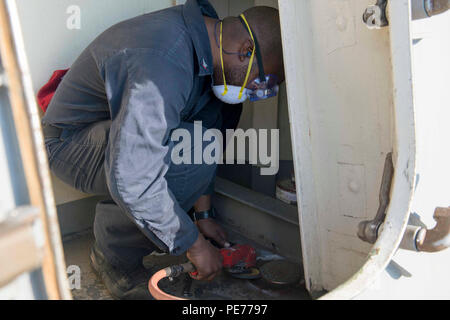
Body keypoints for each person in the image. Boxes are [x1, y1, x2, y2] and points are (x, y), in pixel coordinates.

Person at [42, 0, 284, 299]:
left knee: (198, 144)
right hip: (68, 143)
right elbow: (132, 174)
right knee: (179, 158)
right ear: (246, 50)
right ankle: (113, 255)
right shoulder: (163, 60)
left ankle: (130, 224)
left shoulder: (207, 51)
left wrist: (203, 214)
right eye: (263, 81)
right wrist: (192, 242)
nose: (257, 91)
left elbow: (204, 132)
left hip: (110, 133)